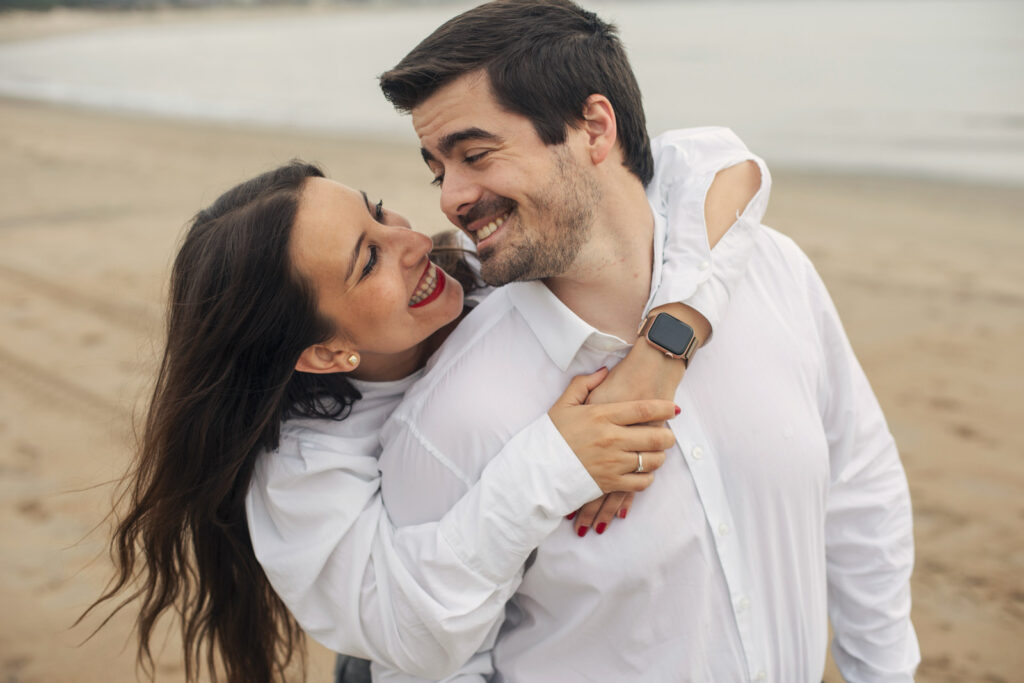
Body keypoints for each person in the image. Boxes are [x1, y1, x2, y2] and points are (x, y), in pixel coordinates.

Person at [86, 124, 762, 681]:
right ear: (325, 354)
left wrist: (659, 355)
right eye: (368, 260)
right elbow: (415, 636)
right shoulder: (303, 471)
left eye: (378, 211)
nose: (413, 241)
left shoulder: (481, 273)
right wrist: (555, 462)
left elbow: (720, 160)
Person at [371, 1, 920, 681]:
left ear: (594, 127)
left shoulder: (774, 271)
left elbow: (860, 485)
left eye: (476, 155)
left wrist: (886, 670)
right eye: (438, 168)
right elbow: (429, 660)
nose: (452, 198)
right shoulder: (451, 411)